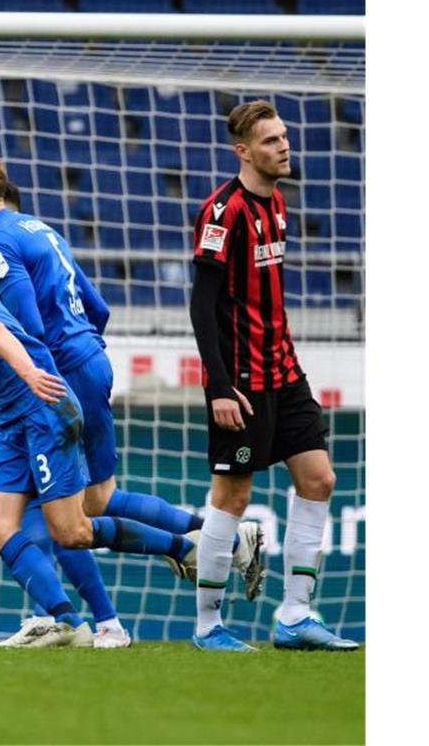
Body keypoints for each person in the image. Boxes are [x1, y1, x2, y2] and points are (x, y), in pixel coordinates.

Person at [0, 144, 261, 648]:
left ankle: (193, 549)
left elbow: (24, 326)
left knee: (81, 510)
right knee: (78, 506)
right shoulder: (32, 231)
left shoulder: (0, 247)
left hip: (53, 373)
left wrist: (9, 389)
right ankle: (97, 611)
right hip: (81, 359)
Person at [188, 101, 358, 651]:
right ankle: (209, 626)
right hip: (242, 381)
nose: (283, 146)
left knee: (319, 480)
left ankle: (294, 616)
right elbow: (202, 303)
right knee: (232, 497)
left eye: (283, 137)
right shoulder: (223, 211)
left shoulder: (278, 204)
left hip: (285, 371)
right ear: (243, 151)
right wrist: (217, 384)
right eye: (270, 141)